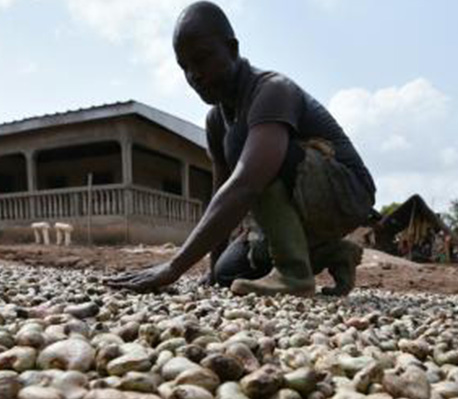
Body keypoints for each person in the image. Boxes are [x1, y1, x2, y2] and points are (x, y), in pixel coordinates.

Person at [105, 1, 376, 296]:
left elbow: (245, 184)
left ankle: (294, 274)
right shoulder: (216, 122)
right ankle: (333, 253)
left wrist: (173, 267)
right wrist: (210, 269)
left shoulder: (272, 90)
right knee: (227, 272)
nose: (194, 75)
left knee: (260, 162)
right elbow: (221, 191)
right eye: (185, 67)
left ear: (232, 50)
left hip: (347, 194)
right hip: (301, 204)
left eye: (203, 59)